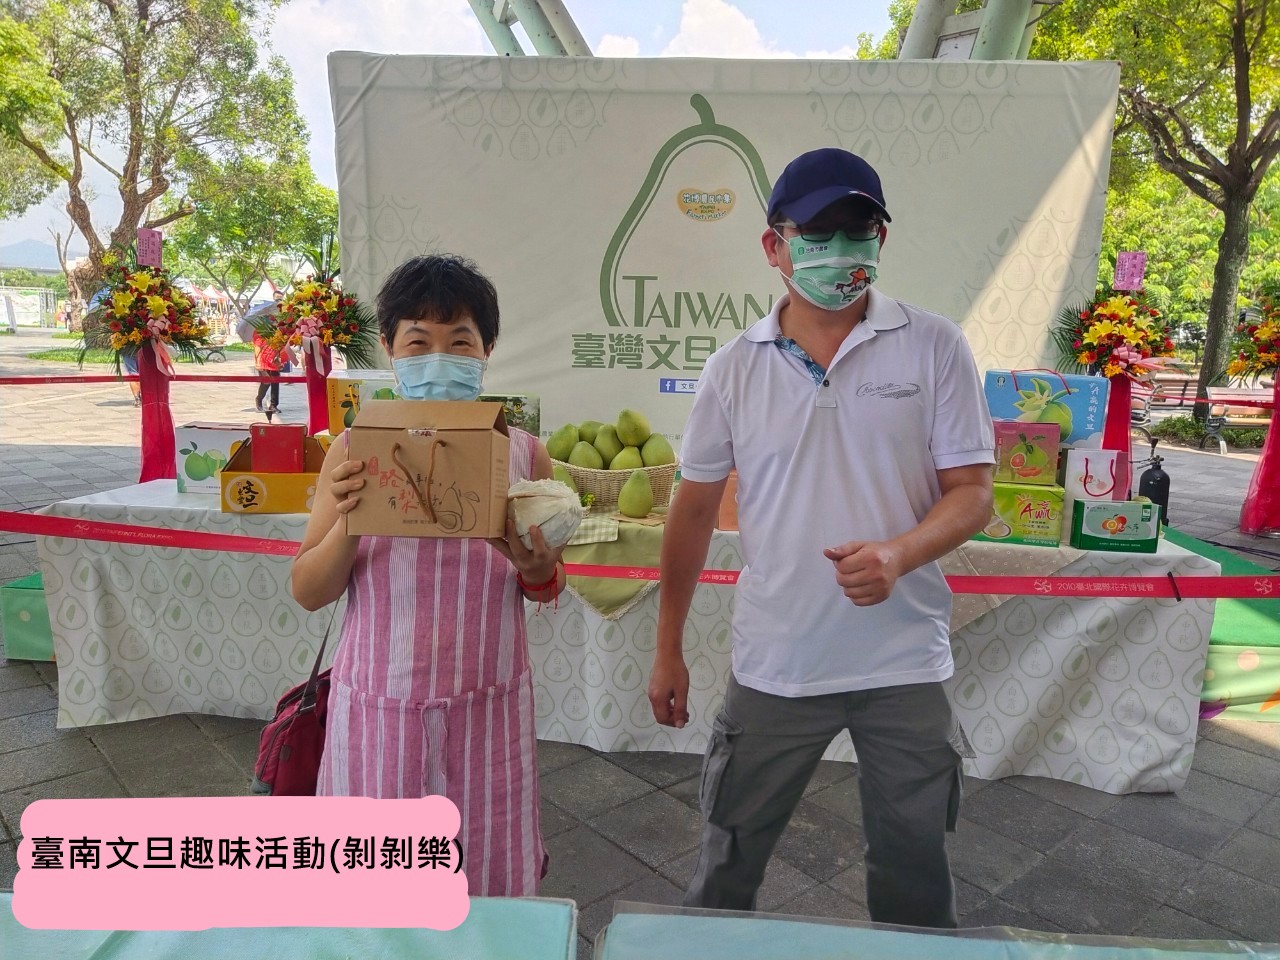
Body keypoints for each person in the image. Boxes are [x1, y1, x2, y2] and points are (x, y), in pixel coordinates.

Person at [647, 148, 995, 927]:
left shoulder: (934, 345)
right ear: (774, 246)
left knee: (913, 871)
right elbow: (694, 511)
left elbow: (972, 495)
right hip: (779, 660)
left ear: (881, 238)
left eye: (859, 228)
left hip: (902, 661)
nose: (841, 250)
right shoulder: (735, 367)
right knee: (728, 860)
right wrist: (667, 643)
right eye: (819, 232)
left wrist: (898, 554)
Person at [291, 254, 565, 897]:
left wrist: (536, 566)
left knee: (485, 881)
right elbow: (308, 590)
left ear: (487, 350)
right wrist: (354, 521)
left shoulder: (522, 451)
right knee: (373, 891)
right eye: (419, 341)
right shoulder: (353, 449)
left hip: (487, 709)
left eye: (459, 341)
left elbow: (547, 583)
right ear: (390, 350)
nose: (439, 357)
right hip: (379, 708)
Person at [252, 329, 284, 417]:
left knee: (275, 381)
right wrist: (258, 364)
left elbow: (278, 345)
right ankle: (259, 400)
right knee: (266, 382)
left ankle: (273, 405)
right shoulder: (259, 331)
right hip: (263, 361)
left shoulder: (275, 329)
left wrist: (278, 357)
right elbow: (257, 348)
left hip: (273, 360)